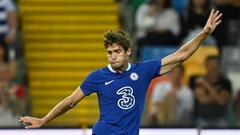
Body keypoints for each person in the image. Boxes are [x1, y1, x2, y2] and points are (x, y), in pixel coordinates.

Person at [19, 9, 222, 134]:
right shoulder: (97, 76)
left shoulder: (143, 71)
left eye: (117, 51)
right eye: (109, 52)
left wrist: (203, 34)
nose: (113, 56)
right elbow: (71, 101)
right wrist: (44, 120)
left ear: (128, 51)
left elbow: (181, 55)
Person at [191, 55, 232, 127]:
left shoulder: (225, 83)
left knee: (223, 123)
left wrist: (206, 85)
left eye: (215, 65)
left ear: (219, 66)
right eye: (210, 65)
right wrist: (216, 96)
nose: (213, 68)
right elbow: (202, 100)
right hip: (201, 119)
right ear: (206, 66)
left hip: (220, 118)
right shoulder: (197, 82)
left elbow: (221, 101)